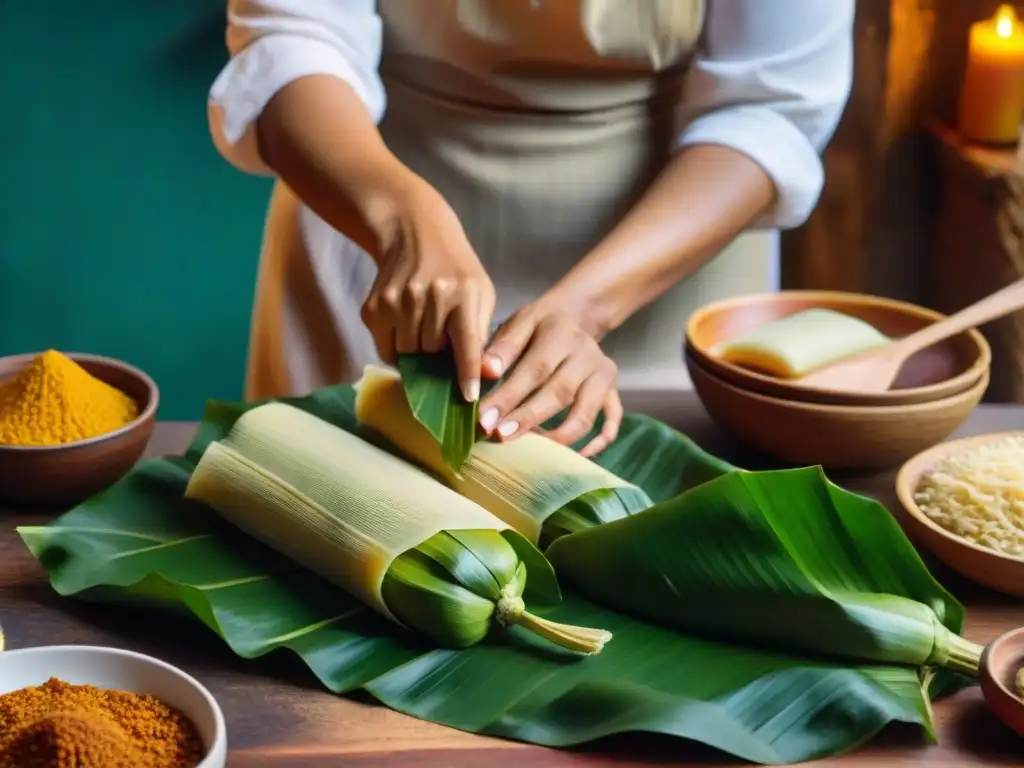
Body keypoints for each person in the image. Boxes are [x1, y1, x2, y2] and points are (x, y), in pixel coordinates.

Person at [209, 0, 853, 456]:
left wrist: (587, 308)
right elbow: (293, 38)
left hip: (668, 246)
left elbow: (768, 107)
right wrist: (403, 221)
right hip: (369, 210)